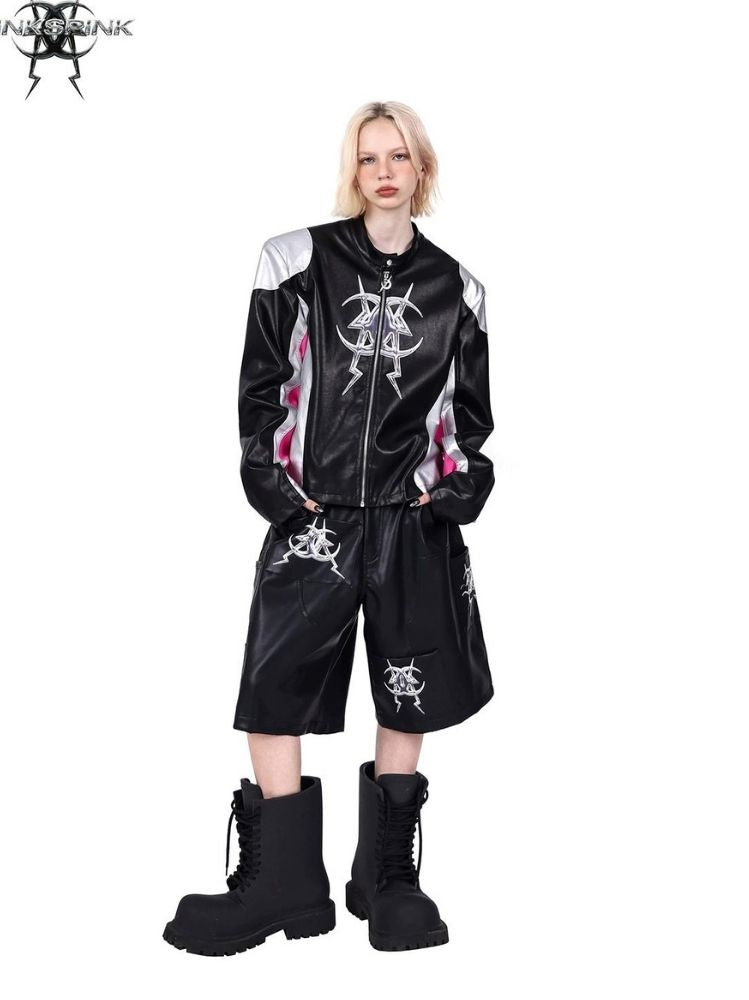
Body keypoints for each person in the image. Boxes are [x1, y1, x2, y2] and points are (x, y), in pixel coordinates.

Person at [163, 100, 495, 955]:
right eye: (368, 157)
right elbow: (262, 385)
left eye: (399, 156)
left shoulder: (457, 289)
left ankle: (385, 877)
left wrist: (451, 493)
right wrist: (277, 488)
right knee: (274, 685)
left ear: (421, 168)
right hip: (316, 519)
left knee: (406, 686)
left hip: (410, 523)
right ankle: (285, 883)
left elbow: (468, 417)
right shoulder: (297, 260)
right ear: (353, 170)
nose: (384, 171)